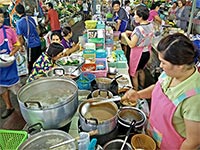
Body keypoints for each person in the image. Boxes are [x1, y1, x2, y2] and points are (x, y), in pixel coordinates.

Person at [121, 33, 200, 149]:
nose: (161, 66)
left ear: (180, 66)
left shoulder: (194, 98)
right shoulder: (170, 73)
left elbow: (193, 141)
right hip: (153, 136)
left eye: (163, 62)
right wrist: (138, 94)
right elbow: (158, 87)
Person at [121, 5, 154, 90]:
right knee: (141, 70)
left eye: (136, 15)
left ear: (141, 17)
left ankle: (135, 93)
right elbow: (144, 35)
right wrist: (132, 33)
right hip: (147, 53)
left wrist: (125, 36)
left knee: (134, 74)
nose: (134, 16)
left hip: (138, 55)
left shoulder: (138, 29)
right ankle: (142, 87)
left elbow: (132, 44)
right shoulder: (150, 25)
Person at [0, 8, 21, 119]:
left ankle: (25, 107)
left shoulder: (9, 30)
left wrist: (12, 52)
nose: (1, 19)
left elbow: (17, 44)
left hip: (10, 66)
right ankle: (9, 107)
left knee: (18, 90)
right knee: (2, 89)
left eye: (2, 16)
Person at [15, 3, 42, 74]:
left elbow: (20, 37)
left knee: (31, 62)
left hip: (31, 45)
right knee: (39, 60)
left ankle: (32, 76)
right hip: (38, 43)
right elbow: (38, 31)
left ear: (17, 12)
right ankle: (40, 73)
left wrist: (21, 46)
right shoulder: (31, 19)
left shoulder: (19, 23)